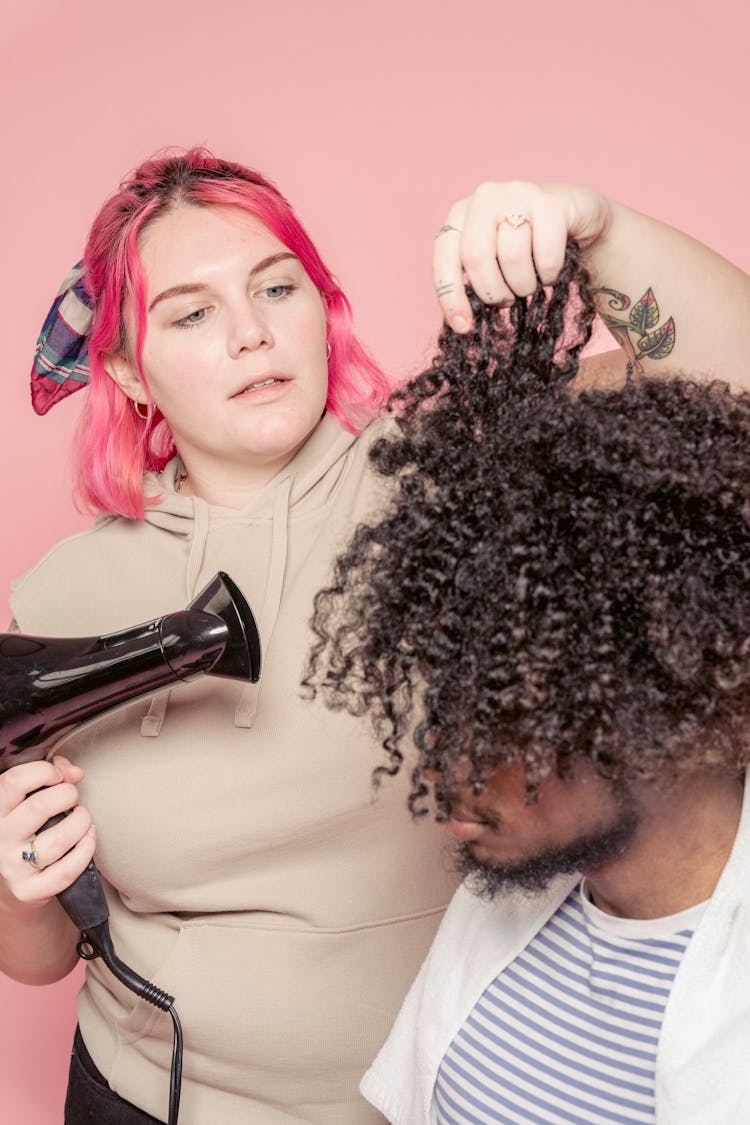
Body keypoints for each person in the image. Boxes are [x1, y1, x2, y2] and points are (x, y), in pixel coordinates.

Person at [0, 148, 474, 1125]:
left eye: (275, 287)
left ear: (321, 306)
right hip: (139, 1098)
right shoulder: (60, 595)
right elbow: (41, 959)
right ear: (131, 369)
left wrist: (597, 226)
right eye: (193, 312)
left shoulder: (451, 486)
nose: (253, 333)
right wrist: (13, 880)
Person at [309, 193, 750, 1123]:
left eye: (508, 712)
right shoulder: (515, 905)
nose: (437, 771)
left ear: (675, 696)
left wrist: (604, 229)